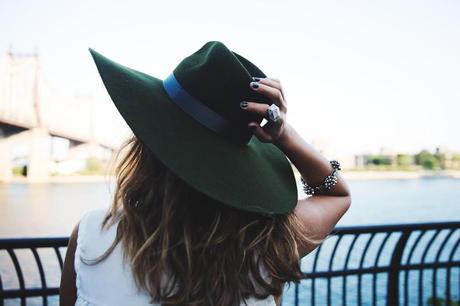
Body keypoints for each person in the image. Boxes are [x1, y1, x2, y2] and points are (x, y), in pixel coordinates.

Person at [59, 41, 351, 306]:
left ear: (148, 145)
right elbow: (336, 195)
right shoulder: (266, 245)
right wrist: (285, 134)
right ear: (240, 169)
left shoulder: (91, 237)